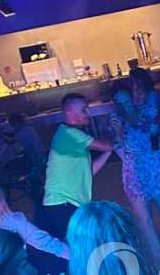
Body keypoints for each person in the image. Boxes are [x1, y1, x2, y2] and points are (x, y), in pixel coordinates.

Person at [110, 70, 160, 258]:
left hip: (157, 167)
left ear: (133, 95)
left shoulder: (149, 111)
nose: (125, 105)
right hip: (134, 173)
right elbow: (118, 148)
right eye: (120, 103)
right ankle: (159, 257)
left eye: (127, 100)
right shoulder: (116, 121)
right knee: (144, 221)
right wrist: (117, 133)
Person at [37, 93, 114, 241]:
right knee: (82, 246)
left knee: (83, 246)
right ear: (69, 113)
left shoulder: (69, 135)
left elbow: (88, 172)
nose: (88, 114)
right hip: (62, 203)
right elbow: (106, 145)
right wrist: (111, 134)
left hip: (66, 203)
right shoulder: (70, 134)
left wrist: (109, 152)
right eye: (84, 110)